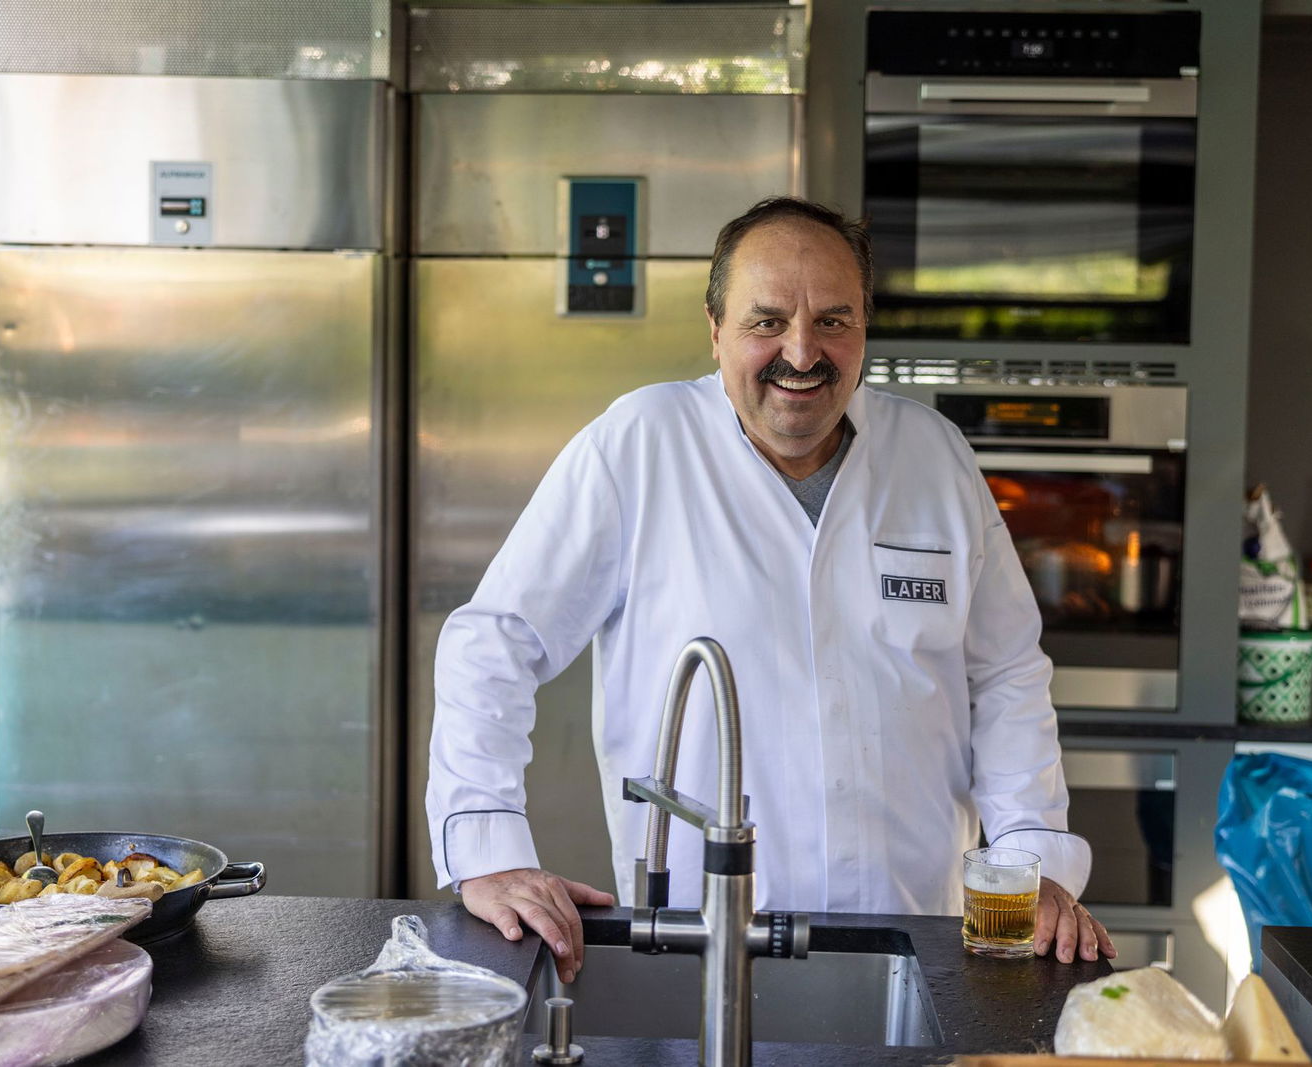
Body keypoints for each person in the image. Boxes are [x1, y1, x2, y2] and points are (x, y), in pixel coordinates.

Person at [428, 196, 1115, 984]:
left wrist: (1034, 856)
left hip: (916, 944)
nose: (802, 351)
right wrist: (487, 849)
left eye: (833, 320)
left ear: (865, 329)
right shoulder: (640, 445)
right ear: (715, 329)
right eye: (766, 322)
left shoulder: (933, 455)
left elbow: (1005, 673)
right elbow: (496, 641)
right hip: (697, 946)